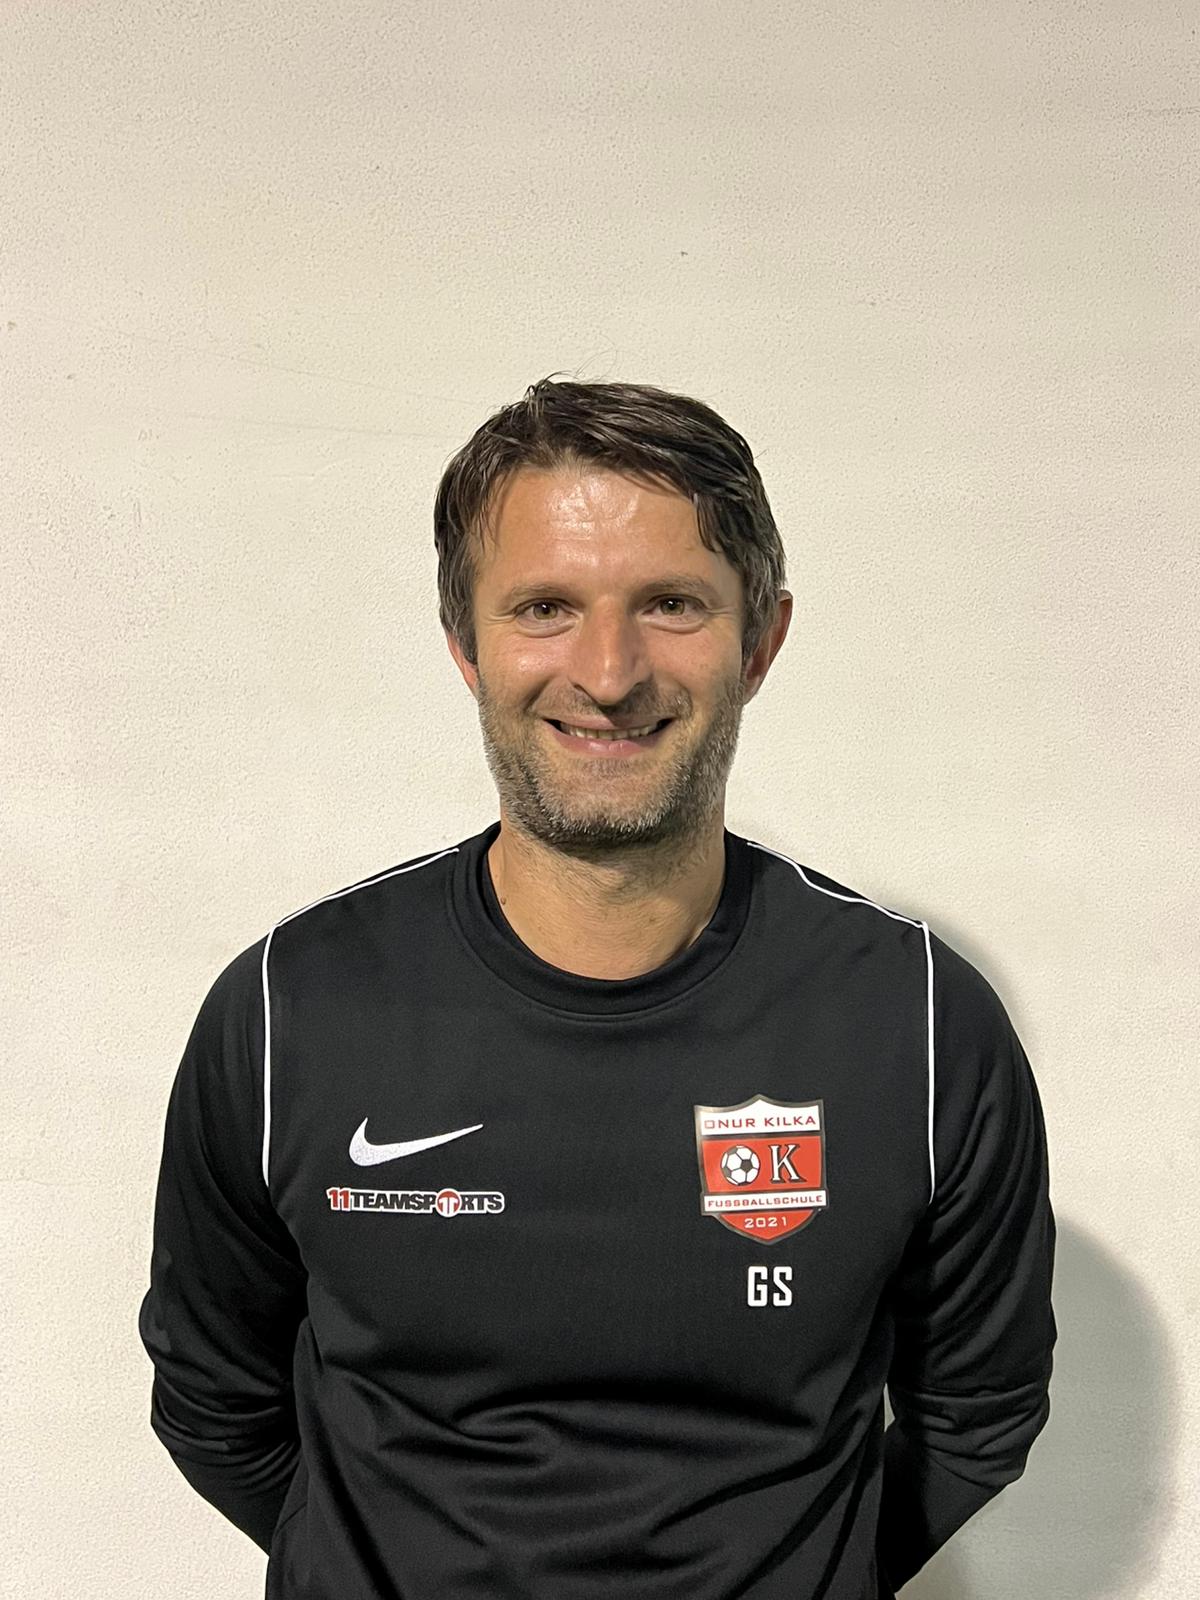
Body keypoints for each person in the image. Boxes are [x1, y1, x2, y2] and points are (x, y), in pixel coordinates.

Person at [139, 375, 1056, 1599]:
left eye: (671, 603)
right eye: (546, 608)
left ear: (761, 640)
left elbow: (980, 1415)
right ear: (466, 644)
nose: (610, 671)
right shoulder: (288, 1009)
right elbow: (214, 1405)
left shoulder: (922, 1021)